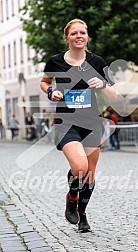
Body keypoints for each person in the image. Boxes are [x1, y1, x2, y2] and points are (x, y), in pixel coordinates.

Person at [40, 18, 116, 232]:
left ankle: (82, 215)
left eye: (82, 32)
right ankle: (71, 197)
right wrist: (49, 91)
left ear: (87, 36)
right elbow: (44, 81)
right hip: (66, 122)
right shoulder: (55, 61)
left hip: (92, 122)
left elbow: (114, 93)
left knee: (90, 174)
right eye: (74, 33)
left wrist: (102, 84)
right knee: (80, 167)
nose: (79, 36)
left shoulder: (98, 62)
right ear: (67, 38)